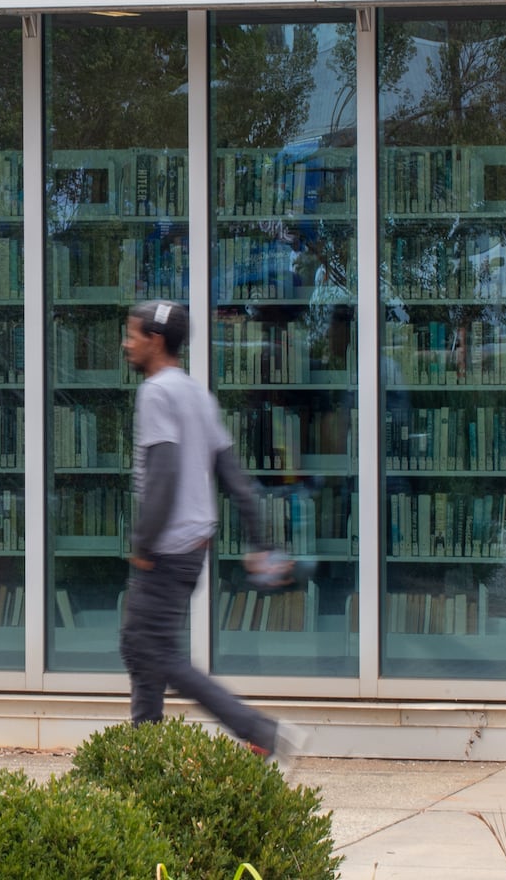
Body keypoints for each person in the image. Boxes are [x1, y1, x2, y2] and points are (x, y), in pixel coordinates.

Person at [119, 299, 306, 760]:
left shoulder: (157, 392)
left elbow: (162, 473)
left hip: (166, 546)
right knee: (145, 649)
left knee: (152, 650)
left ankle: (260, 730)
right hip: (191, 546)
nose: (127, 344)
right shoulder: (197, 393)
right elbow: (234, 475)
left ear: (156, 341)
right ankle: (147, 759)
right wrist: (258, 539)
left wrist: (143, 542)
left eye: (133, 335)